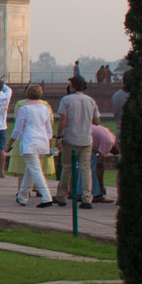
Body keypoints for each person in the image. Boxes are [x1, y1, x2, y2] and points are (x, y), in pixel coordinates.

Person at [55, 73, 98, 207]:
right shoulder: (90, 101)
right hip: (86, 138)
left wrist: (59, 136)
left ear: (72, 86)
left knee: (67, 168)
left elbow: (63, 120)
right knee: (86, 169)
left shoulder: (66, 100)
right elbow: (96, 121)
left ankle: (62, 196)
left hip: (70, 138)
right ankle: (86, 198)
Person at [11, 84, 56, 207]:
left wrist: (10, 143)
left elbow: (18, 130)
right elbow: (49, 130)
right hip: (42, 143)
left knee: (35, 171)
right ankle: (22, 196)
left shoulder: (24, 109)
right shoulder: (45, 109)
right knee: (30, 171)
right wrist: (49, 146)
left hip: (30, 143)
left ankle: (47, 198)